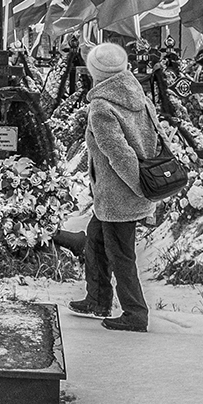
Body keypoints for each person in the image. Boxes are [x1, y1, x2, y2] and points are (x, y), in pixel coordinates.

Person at [72, 41, 158, 332]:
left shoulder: (101, 107)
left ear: (94, 72)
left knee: (120, 254)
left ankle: (135, 313)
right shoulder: (137, 94)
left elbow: (119, 154)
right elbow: (156, 137)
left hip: (119, 193)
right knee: (95, 241)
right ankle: (97, 299)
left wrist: (139, 188)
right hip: (116, 192)